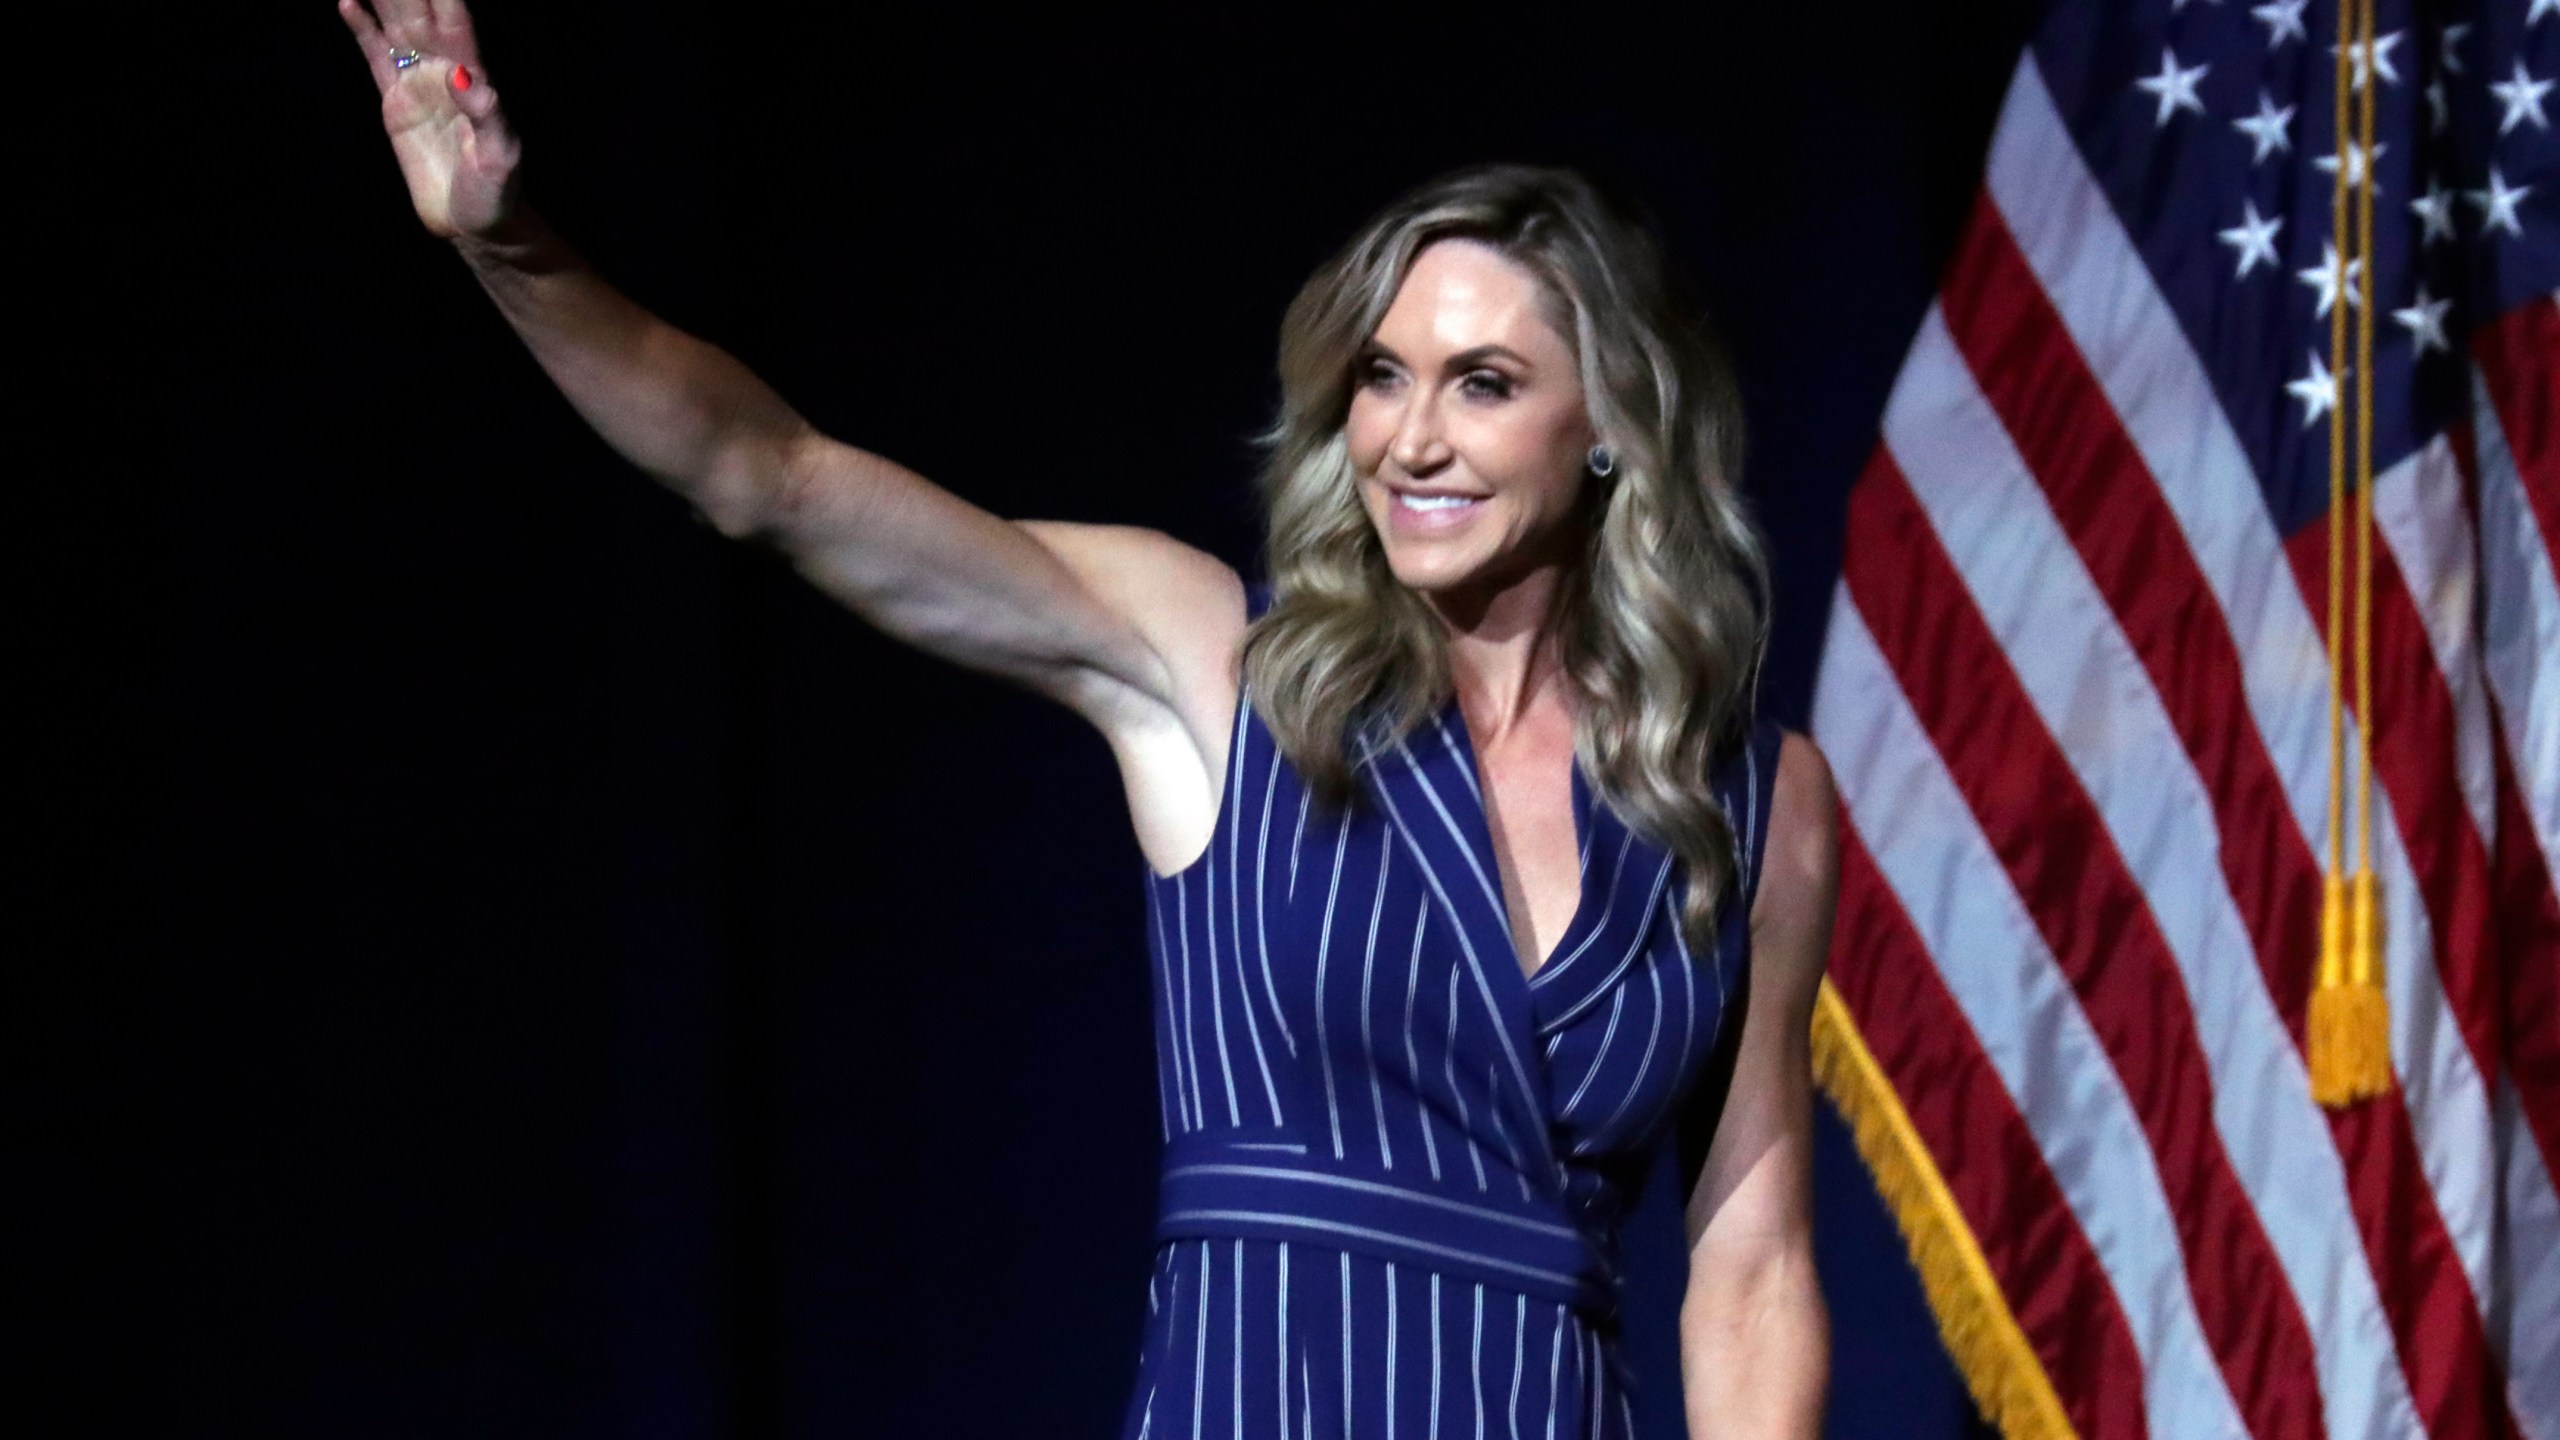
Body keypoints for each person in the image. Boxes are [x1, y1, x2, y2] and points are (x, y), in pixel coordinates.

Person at [338, 2, 1839, 1434]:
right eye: (1384, 377)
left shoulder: (1746, 801)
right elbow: (767, 475)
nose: (1412, 437)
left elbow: (1752, 1262)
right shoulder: (1213, 660)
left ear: (1610, 436)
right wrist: (507, 246)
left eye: (1486, 384)